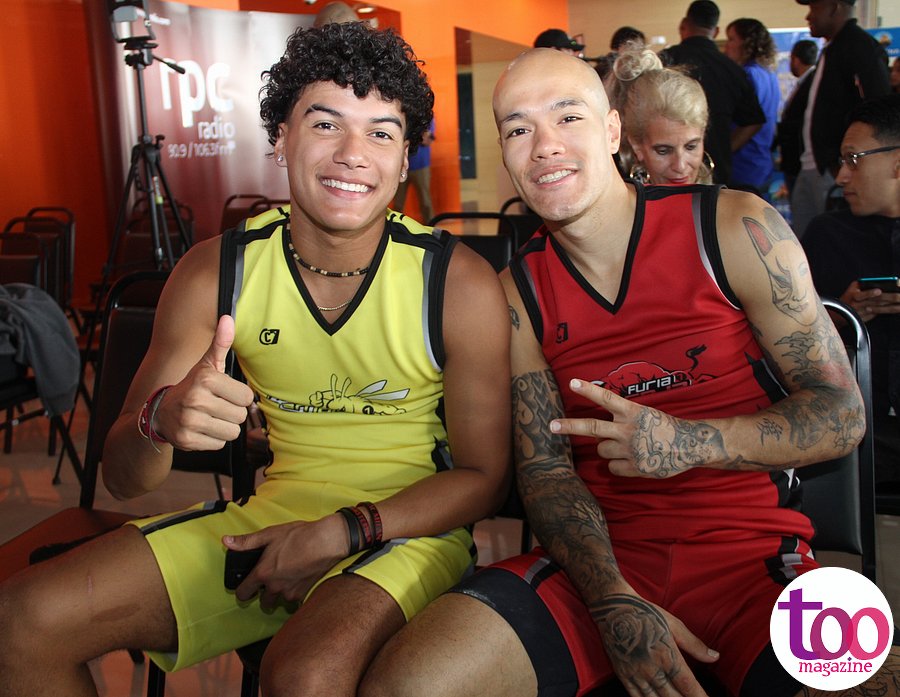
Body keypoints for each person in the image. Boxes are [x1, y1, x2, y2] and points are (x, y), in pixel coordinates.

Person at [359, 48, 893, 697]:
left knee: (867, 679)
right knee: (407, 683)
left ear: (613, 131)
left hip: (756, 565)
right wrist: (612, 599)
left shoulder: (733, 226)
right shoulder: (516, 294)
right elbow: (546, 472)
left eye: (568, 117)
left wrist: (688, 442)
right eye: (519, 129)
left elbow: (842, 413)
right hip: (596, 570)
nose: (545, 146)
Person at [0, 22, 511, 697]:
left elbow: (485, 479)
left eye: (382, 133)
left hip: (409, 525)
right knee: (22, 621)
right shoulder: (217, 271)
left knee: (306, 675)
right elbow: (122, 477)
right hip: (274, 514)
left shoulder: (455, 282)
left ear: (403, 157)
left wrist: (344, 530)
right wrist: (161, 420)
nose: (353, 154)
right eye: (325, 124)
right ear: (281, 138)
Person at [802, 94, 900, 487]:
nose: (842, 176)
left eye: (853, 160)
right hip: (857, 431)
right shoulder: (827, 236)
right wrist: (841, 315)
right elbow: (786, 342)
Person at [790, 0, 891, 238]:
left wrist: (843, 162)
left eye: (814, 8)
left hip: (835, 170)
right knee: (806, 242)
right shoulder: (832, 49)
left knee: (834, 241)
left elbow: (877, 109)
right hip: (813, 165)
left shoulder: (859, 47)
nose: (808, 17)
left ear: (834, 8)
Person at [660, 0, 765, 188]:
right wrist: (725, 147)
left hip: (669, 168)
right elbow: (754, 120)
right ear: (715, 32)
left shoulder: (665, 62)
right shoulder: (732, 69)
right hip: (716, 168)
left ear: (684, 25)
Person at [605, 45, 712, 185]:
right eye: (663, 151)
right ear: (636, 145)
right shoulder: (613, 194)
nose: (680, 166)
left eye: (691, 147)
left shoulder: (728, 197)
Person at [724, 18, 780, 197]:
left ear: (746, 43)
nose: (727, 46)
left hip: (744, 164)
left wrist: (723, 152)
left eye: (731, 39)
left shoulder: (747, 75)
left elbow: (752, 122)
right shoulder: (768, 73)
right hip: (761, 163)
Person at [775, 39, 819, 198]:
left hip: (799, 160)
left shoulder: (811, 83)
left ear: (795, 59)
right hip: (796, 159)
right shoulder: (806, 82)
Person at [393, 117, 435, 223]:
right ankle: (395, 228)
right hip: (401, 165)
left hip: (421, 165)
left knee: (425, 202)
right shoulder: (401, 115)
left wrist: (411, 133)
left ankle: (430, 228)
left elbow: (426, 140)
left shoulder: (427, 117)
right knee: (398, 203)